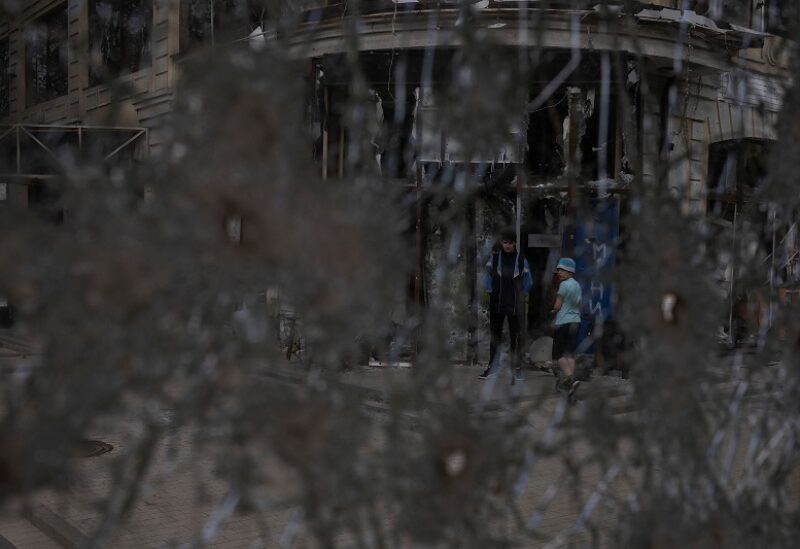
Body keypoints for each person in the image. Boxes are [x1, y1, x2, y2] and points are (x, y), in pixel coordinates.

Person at [479, 228, 533, 383]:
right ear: (502, 243)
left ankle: (516, 369)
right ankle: (492, 368)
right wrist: (491, 292)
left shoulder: (522, 260)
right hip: (497, 304)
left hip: (515, 306)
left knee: (516, 338)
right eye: (505, 243)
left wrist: (521, 295)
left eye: (510, 243)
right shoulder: (494, 259)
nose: (508, 246)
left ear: (515, 243)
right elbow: (486, 279)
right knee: (495, 337)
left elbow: (528, 282)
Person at [550, 257, 582, 402]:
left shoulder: (563, 286)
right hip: (576, 321)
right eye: (558, 270)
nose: (559, 272)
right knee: (570, 353)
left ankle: (570, 378)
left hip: (563, 322)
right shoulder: (577, 285)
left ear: (570, 271)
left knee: (558, 353)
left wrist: (553, 310)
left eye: (562, 270)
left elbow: (558, 305)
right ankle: (571, 385)